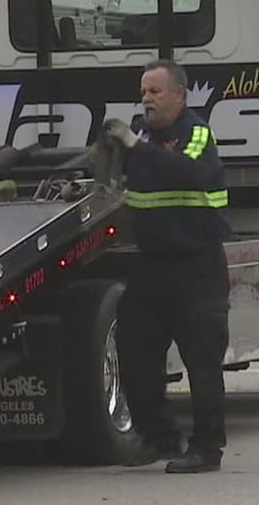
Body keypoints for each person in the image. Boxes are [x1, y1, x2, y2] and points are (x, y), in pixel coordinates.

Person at [103, 59, 232, 473]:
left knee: (203, 362)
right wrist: (110, 153)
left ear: (180, 94)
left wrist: (137, 148)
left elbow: (187, 171)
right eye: (143, 91)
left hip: (197, 266)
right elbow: (122, 179)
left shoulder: (195, 132)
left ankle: (207, 449)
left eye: (155, 91)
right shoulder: (139, 136)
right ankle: (159, 439)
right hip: (150, 266)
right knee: (135, 357)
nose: (147, 99)